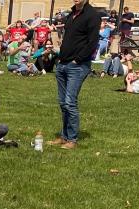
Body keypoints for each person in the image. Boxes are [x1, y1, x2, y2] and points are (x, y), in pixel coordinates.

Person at [50, 0, 99, 149]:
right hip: (63, 64)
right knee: (63, 103)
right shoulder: (72, 14)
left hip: (77, 66)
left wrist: (77, 60)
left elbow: (93, 42)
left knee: (70, 102)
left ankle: (72, 139)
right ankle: (64, 137)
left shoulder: (92, 15)